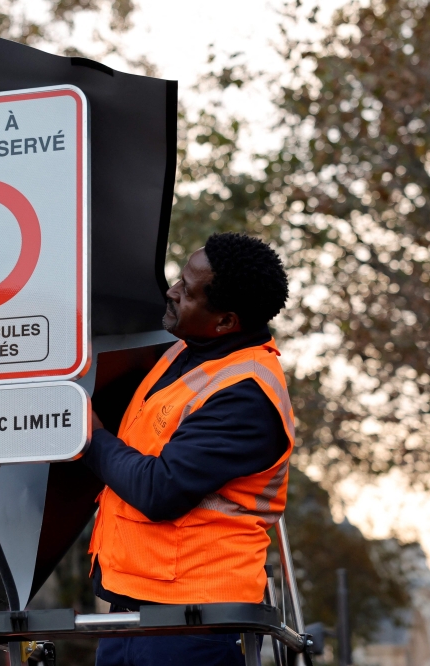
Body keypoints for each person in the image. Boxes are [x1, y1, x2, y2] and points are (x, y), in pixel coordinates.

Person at [82, 232, 295, 666]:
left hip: (195, 621)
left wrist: (87, 436)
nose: (172, 292)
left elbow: (161, 491)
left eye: (187, 290)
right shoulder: (186, 352)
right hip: (137, 605)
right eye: (179, 278)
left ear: (225, 322)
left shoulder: (247, 394)